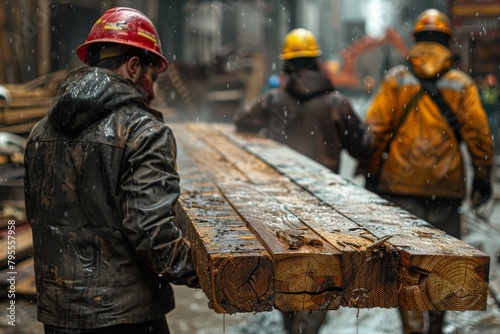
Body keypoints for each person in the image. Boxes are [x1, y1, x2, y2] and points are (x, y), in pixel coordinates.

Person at [23, 7, 199, 334]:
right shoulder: (144, 132)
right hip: (127, 319)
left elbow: (37, 216)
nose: (153, 90)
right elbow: (152, 235)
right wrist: (205, 271)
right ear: (133, 67)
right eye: (153, 76)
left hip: (59, 319)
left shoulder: (39, 133)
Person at [362, 9, 494, 333]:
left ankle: (411, 325)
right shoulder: (460, 84)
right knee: (441, 265)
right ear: (448, 42)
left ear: (416, 41)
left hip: (398, 187)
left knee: (404, 266)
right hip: (444, 188)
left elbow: (375, 131)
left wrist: (372, 172)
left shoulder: (396, 80)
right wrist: (482, 177)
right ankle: (436, 325)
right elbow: (479, 137)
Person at [233, 28, 372, 334]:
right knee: (325, 273)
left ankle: (293, 325)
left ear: (287, 66)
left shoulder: (272, 101)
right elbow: (363, 145)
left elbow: (241, 120)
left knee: (286, 270)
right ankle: (310, 327)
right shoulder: (337, 103)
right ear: (317, 63)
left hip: (281, 207)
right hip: (324, 207)